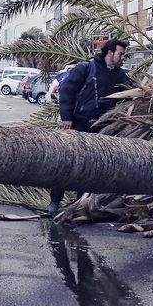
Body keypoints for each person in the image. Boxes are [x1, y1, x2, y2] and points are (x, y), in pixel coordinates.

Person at [50, 38, 134, 216]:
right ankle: (54, 202)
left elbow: (130, 91)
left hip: (101, 128)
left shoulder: (119, 75)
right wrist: (66, 116)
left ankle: (79, 205)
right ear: (110, 53)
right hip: (79, 123)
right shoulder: (86, 68)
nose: (123, 57)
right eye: (121, 53)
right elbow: (67, 90)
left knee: (91, 166)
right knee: (68, 162)